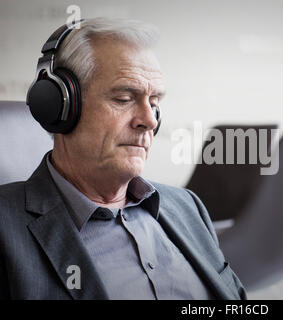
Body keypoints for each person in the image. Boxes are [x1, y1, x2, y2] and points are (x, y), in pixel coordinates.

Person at [0, 17, 246, 300]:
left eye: (154, 104)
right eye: (124, 98)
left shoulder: (187, 207)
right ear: (59, 106)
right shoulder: (7, 228)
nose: (149, 121)